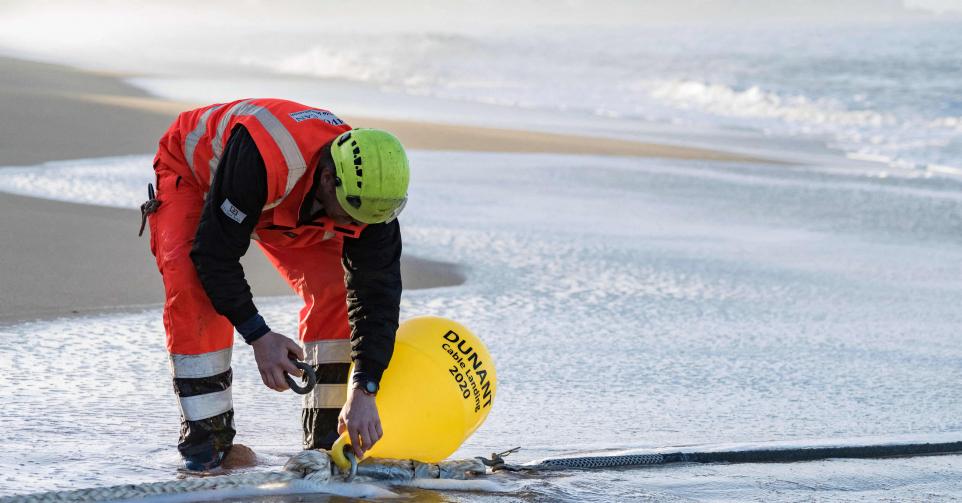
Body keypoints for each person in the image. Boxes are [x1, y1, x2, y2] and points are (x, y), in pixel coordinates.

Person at [144, 98, 409, 471]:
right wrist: (259, 336)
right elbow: (214, 255)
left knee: (337, 288)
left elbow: (377, 298)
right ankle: (209, 446)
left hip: (288, 201)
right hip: (197, 177)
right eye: (352, 213)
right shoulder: (265, 155)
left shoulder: (372, 200)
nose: (358, 225)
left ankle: (325, 446)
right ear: (329, 180)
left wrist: (365, 387)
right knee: (193, 287)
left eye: (366, 218)